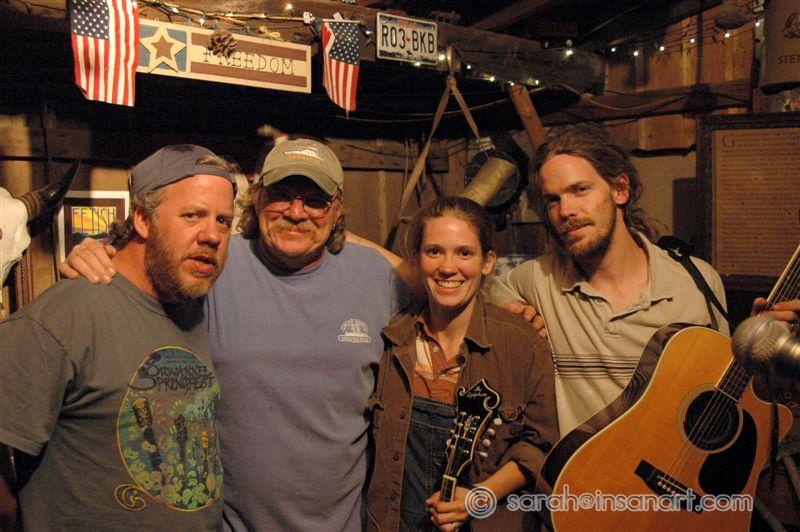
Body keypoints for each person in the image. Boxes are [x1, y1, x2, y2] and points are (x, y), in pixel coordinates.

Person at [59, 138, 409, 531]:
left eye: (315, 201)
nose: (296, 212)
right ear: (257, 198)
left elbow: (445, 288)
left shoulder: (377, 277)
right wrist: (99, 252)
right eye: (282, 195)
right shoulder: (215, 262)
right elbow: (148, 264)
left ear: (337, 209)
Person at [489, 122, 800, 436]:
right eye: (552, 200)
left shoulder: (697, 282)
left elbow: (720, 395)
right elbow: (477, 290)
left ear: (620, 190)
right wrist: (510, 313)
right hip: (578, 465)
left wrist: (758, 352)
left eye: (580, 190)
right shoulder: (536, 279)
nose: (565, 210)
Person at [0, 144, 237, 530]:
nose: (213, 235)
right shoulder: (66, 315)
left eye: (224, 221)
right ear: (143, 220)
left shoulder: (194, 303)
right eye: (192, 215)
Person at [366, 197, 558, 531]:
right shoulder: (391, 342)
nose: (448, 267)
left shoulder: (521, 344)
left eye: (464, 253)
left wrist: (478, 497)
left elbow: (540, 446)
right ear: (416, 259)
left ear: (488, 262)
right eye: (434, 251)